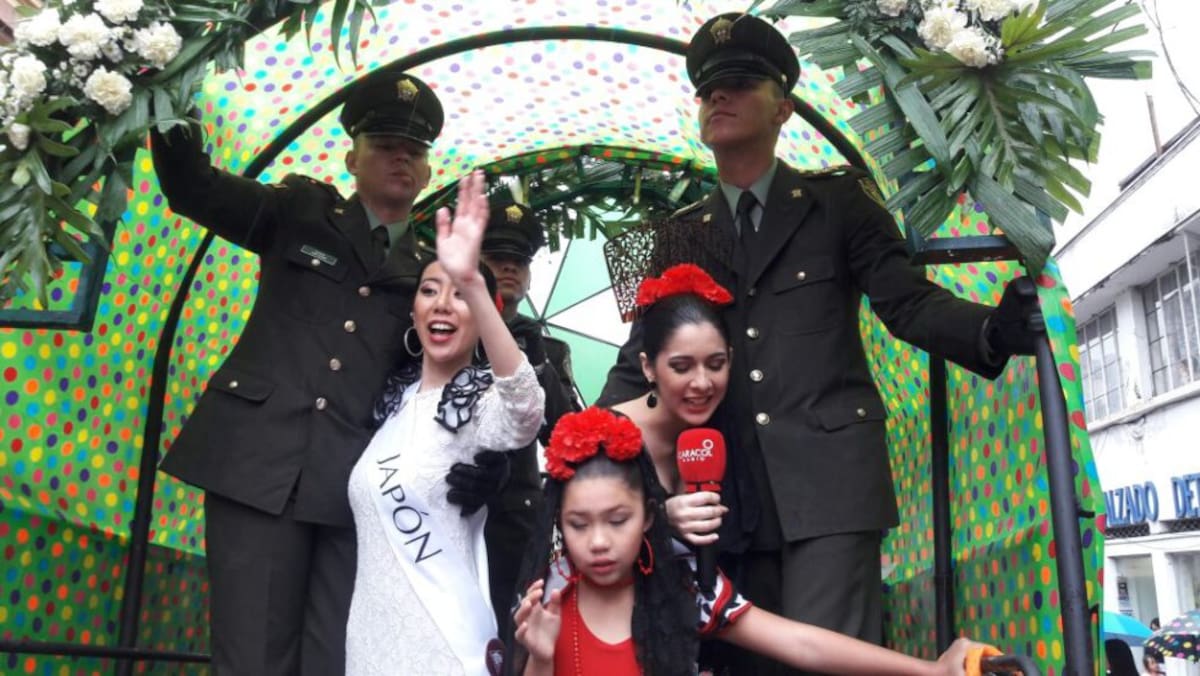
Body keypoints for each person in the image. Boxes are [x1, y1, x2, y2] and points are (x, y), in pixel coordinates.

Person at [596, 11, 1044, 671]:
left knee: (829, 661)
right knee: (741, 662)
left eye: (741, 81)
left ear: (783, 108)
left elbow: (906, 301)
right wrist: (583, 440)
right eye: (708, 87)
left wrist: (990, 328)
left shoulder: (838, 204)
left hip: (832, 484)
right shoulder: (681, 235)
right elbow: (643, 359)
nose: (718, 97)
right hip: (724, 493)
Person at [150, 71, 505, 674]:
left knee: (338, 660)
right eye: (385, 144)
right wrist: (158, 87)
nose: (401, 157)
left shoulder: (429, 271)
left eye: (414, 151)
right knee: (255, 659)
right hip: (256, 467)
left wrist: (485, 464)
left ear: (425, 172)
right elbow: (193, 188)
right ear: (352, 156)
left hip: (352, 490)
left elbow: (449, 383)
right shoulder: (299, 211)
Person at [509, 406, 986, 676]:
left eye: (617, 520)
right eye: (578, 524)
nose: (597, 542)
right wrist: (540, 658)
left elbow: (801, 642)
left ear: (650, 516)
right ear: (559, 524)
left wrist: (932, 671)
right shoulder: (548, 600)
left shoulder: (685, 587)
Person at [345, 171, 545, 675]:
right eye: (430, 290)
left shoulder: (477, 401)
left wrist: (474, 282)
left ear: (480, 316)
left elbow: (525, 413)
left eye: (458, 296)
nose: (442, 303)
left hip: (443, 644)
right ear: (413, 313)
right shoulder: (391, 399)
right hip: (370, 643)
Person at [480, 200, 585, 626]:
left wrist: (536, 358)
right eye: (497, 259)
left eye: (519, 262)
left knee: (511, 636)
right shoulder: (444, 328)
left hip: (513, 516)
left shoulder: (548, 348)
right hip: (448, 506)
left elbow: (564, 435)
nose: (509, 269)